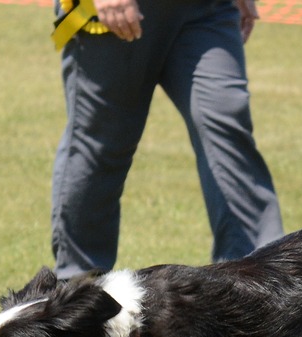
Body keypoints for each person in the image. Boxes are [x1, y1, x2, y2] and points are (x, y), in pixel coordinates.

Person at [50, 0, 283, 278]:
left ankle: (258, 279)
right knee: (102, 145)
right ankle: (78, 290)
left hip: (207, 10)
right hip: (114, 12)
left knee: (228, 129)